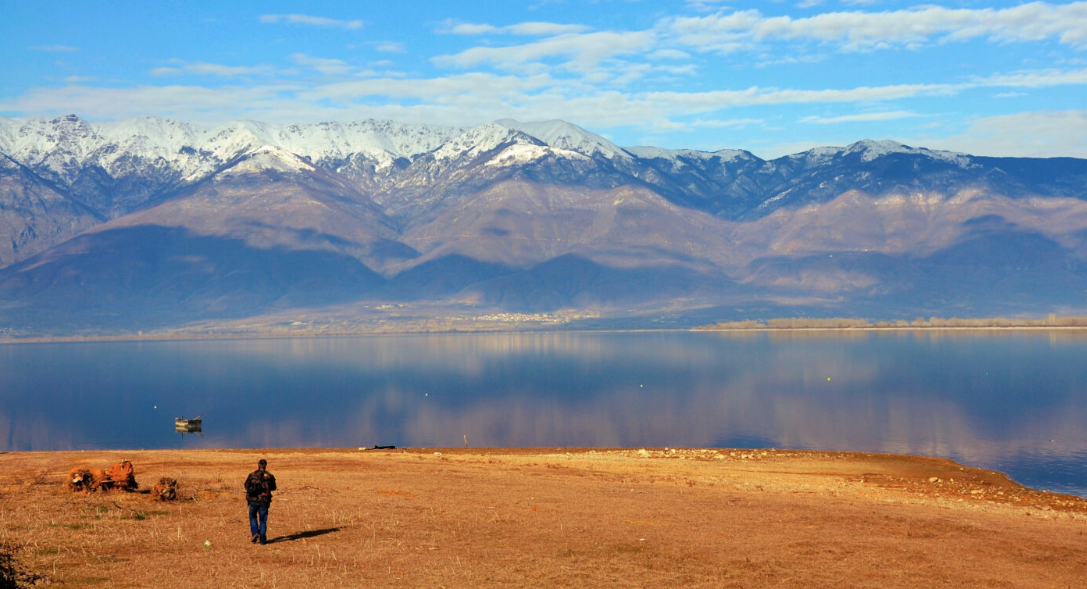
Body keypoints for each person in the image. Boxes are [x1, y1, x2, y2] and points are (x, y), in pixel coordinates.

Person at [244, 459, 277, 545]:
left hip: (253, 500)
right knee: (262, 521)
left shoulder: (252, 475)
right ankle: (262, 540)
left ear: (258, 466)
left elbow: (246, 486)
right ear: (265, 466)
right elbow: (274, 487)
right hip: (264, 501)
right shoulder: (270, 476)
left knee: (252, 516)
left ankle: (255, 533)